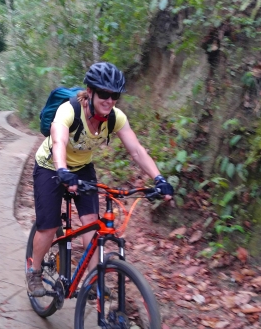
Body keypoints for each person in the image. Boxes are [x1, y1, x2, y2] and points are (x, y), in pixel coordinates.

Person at [26, 62, 174, 297]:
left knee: (92, 228)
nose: (109, 100)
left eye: (114, 95)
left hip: (83, 167)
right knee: (49, 225)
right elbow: (59, 143)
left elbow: (136, 151)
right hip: (51, 166)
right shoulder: (69, 110)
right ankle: (34, 272)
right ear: (91, 92)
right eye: (104, 94)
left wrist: (159, 178)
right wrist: (62, 169)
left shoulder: (115, 118)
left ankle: (93, 282)